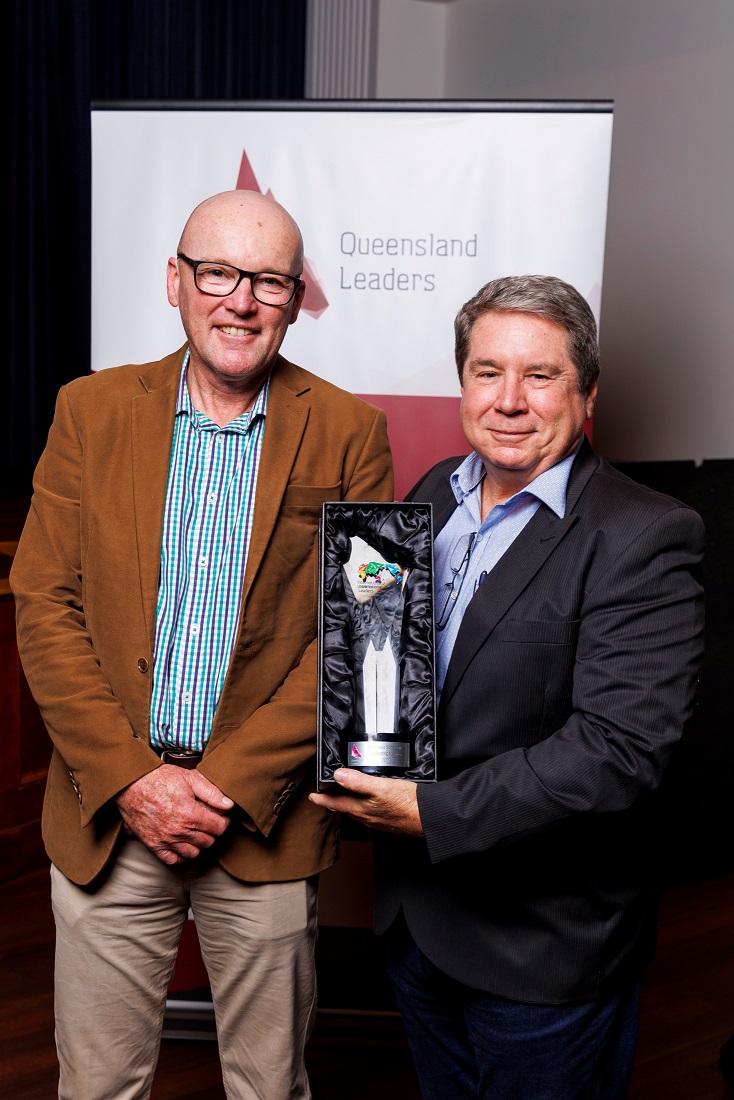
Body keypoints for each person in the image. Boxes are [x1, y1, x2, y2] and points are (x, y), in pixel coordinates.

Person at [11, 189, 393, 1100]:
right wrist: (135, 781)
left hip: (262, 821)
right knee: (98, 1087)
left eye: (269, 281)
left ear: (296, 299)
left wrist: (218, 786)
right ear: (174, 281)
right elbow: (44, 602)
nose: (241, 301)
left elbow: (363, 630)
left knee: (269, 1087)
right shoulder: (88, 411)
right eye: (218, 273)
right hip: (110, 813)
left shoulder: (353, 432)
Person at [310, 275, 704, 1100]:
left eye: (541, 375)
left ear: (588, 393)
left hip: (543, 949)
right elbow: (400, 675)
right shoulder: (432, 495)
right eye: (487, 371)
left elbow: (619, 751)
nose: (510, 400)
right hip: (419, 922)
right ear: (463, 383)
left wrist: (432, 812)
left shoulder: (644, 533)